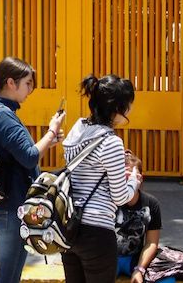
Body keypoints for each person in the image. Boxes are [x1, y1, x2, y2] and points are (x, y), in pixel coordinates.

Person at [0, 56, 65, 283]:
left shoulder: (0, 112)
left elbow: (22, 154)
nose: (30, 90)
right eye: (28, 83)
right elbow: (29, 157)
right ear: (11, 82)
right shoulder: (3, 116)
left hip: (11, 203)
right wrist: (51, 132)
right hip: (9, 205)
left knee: (13, 273)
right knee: (8, 275)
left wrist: (49, 141)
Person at [61, 74, 141, 283]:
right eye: (128, 106)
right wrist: (133, 180)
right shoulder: (111, 141)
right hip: (96, 231)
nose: (130, 111)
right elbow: (120, 196)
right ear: (117, 108)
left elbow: (87, 173)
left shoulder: (76, 129)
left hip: (69, 227)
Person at [115, 151, 174, 283]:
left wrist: (140, 269)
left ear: (140, 178)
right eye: (120, 176)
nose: (124, 180)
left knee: (168, 280)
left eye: (129, 176)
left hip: (135, 257)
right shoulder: (108, 200)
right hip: (109, 257)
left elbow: (152, 242)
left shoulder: (151, 203)